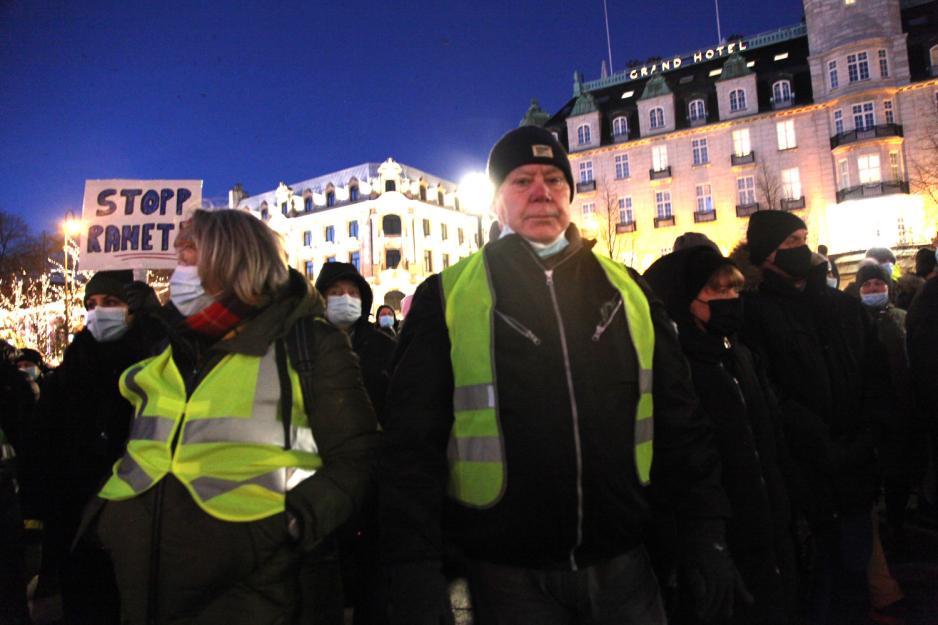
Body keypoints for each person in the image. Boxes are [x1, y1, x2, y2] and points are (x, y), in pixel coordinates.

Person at [380, 125, 739, 625]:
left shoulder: (628, 290)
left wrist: (707, 533)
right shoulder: (448, 296)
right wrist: (414, 566)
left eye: (553, 178)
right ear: (496, 203)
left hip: (623, 561)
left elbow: (680, 422)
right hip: (507, 574)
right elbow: (410, 444)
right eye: (521, 180)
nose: (541, 192)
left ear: (570, 192)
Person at [90, 209, 377, 625]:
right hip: (149, 584)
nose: (178, 270)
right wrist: (111, 522)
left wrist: (291, 526)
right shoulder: (170, 348)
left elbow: (358, 457)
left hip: (260, 594)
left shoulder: (310, 344)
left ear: (232, 259)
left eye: (189, 256)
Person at [740, 211, 884, 625]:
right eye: (789, 243)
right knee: (816, 584)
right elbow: (767, 390)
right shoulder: (754, 314)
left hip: (855, 467)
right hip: (804, 475)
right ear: (767, 255)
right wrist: (816, 442)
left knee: (854, 577)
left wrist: (867, 435)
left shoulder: (843, 307)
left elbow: (875, 376)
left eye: (803, 238)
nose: (800, 248)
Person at [644, 247, 798, 625]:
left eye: (734, 289)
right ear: (683, 298)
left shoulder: (738, 355)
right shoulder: (674, 371)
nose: (732, 299)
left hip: (769, 534)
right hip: (718, 544)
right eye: (717, 291)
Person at [28, 270, 159, 625]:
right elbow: (44, 440)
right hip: (78, 518)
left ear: (132, 311)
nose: (98, 311)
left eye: (111, 303)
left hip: (139, 515)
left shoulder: (155, 361)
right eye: (91, 304)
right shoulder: (73, 365)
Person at [312, 261, 395, 625]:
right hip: (319, 472)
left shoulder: (382, 345)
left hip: (375, 474)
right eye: (335, 293)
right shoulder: (303, 344)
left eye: (352, 293)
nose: (345, 299)